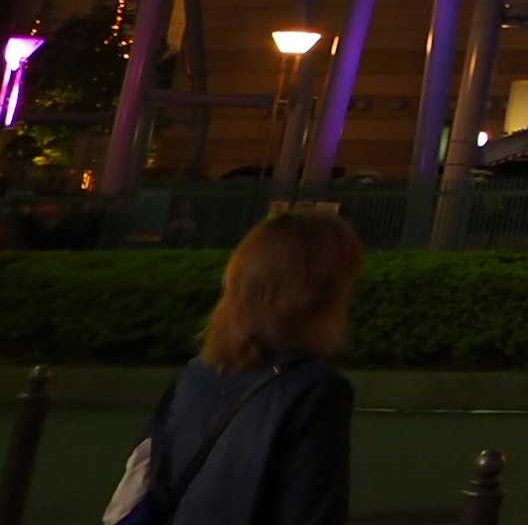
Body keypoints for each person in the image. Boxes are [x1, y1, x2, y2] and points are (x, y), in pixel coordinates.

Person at [119, 206, 360, 525]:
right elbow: (312, 511)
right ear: (319, 295)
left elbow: (154, 485)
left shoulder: (195, 376)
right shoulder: (314, 391)